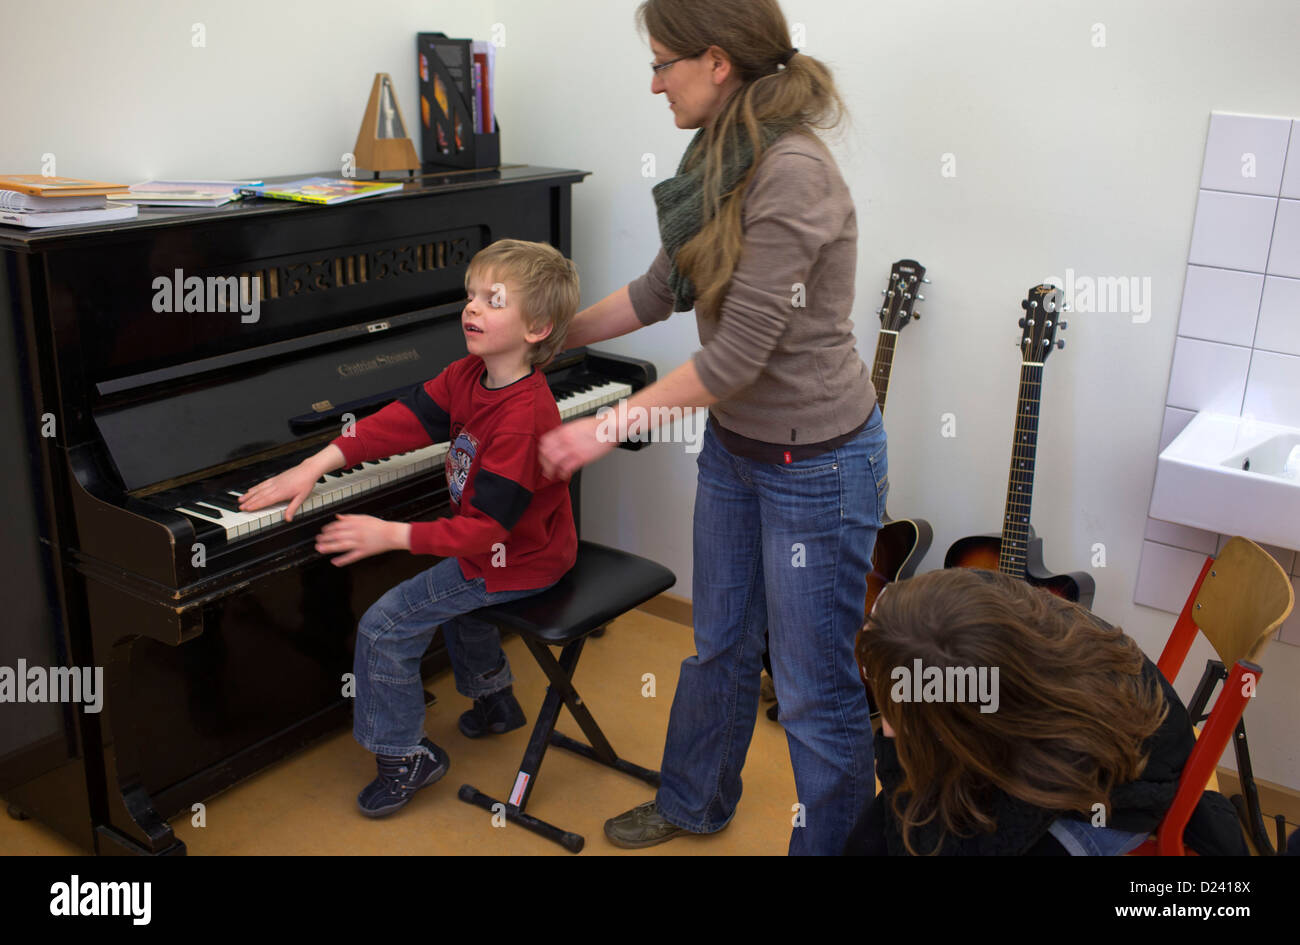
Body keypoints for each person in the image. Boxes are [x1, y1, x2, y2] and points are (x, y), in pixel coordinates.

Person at [539, 0, 885, 855]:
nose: (654, 83)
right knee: (719, 645)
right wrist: (557, 335)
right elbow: (663, 292)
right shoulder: (718, 154)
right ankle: (694, 801)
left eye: (664, 64)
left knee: (811, 690)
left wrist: (600, 428)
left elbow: (733, 360)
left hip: (820, 464)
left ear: (719, 61)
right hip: (737, 449)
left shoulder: (794, 171)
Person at [238, 239, 580, 817]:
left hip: (517, 559)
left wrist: (390, 535)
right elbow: (407, 418)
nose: (471, 308)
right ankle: (495, 701)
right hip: (504, 550)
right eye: (470, 295)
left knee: (383, 625)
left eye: (493, 300)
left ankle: (404, 756)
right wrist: (317, 463)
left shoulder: (522, 418)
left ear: (537, 328)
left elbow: (483, 535)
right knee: (457, 603)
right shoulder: (471, 373)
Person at [847, 568, 1249, 855]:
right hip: (1059, 730)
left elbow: (956, 840)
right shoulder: (985, 606)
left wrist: (893, 739)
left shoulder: (1048, 757)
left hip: (1113, 803)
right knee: (877, 830)